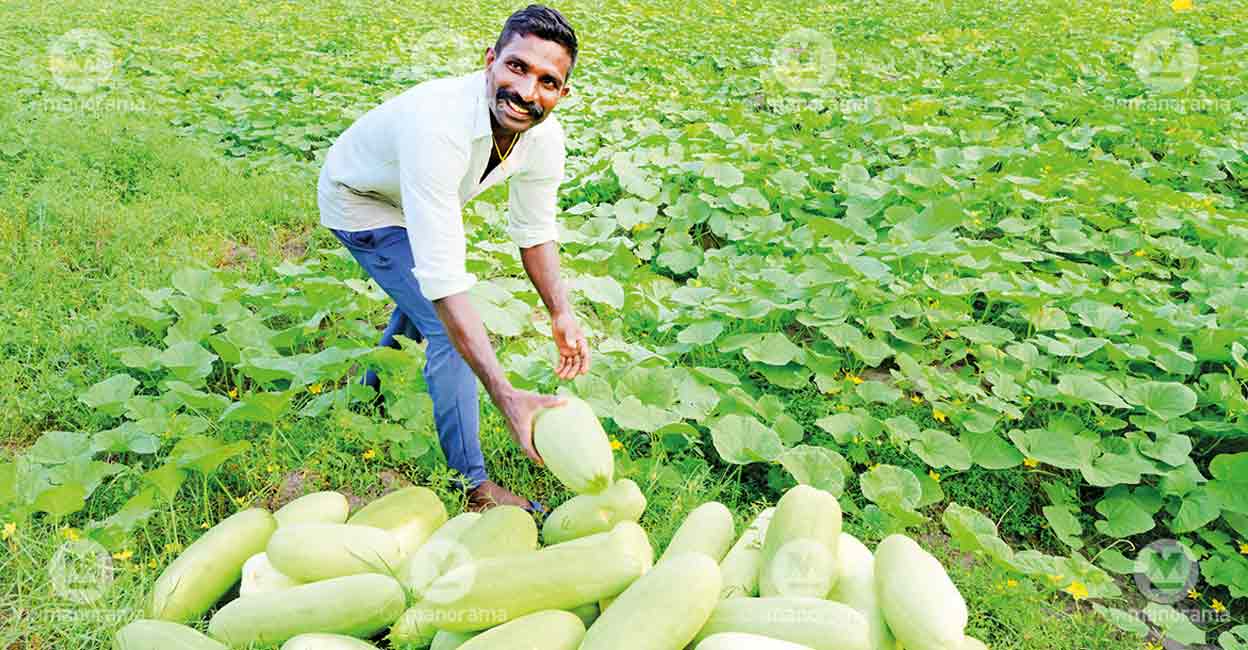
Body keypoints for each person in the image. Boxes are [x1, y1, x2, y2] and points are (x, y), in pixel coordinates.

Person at [316, 5, 589, 511]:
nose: (527, 92)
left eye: (547, 81)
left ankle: (367, 394)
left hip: (412, 193)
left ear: (562, 94)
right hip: (360, 199)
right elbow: (443, 284)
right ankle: (474, 485)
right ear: (491, 60)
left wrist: (561, 310)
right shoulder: (439, 126)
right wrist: (505, 395)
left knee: (421, 301)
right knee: (442, 321)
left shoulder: (543, 137)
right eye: (517, 67)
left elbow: (534, 231)